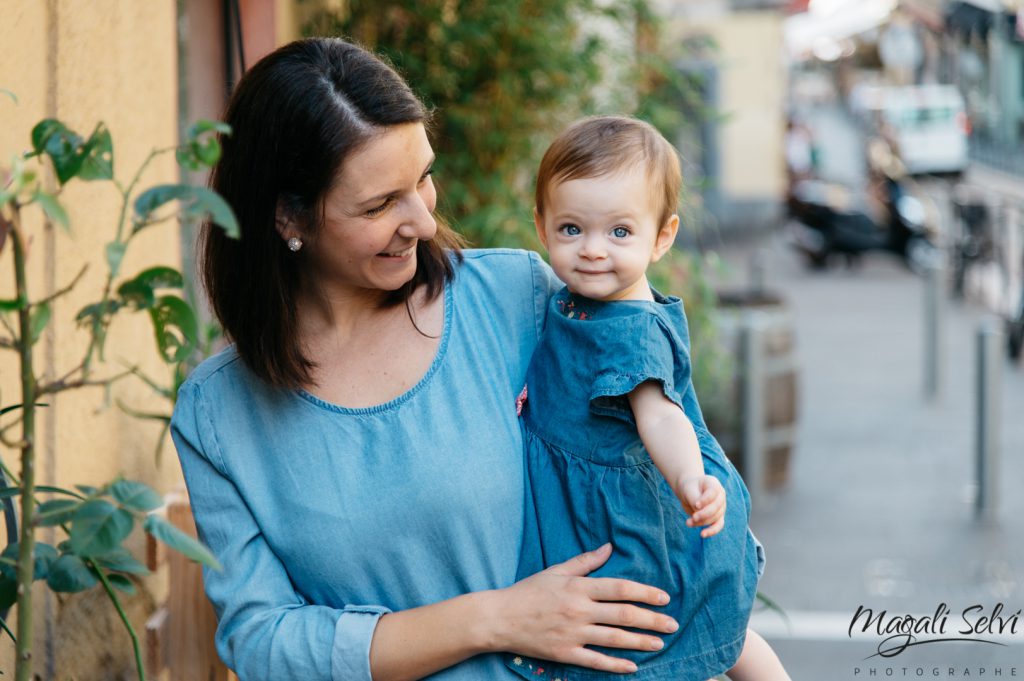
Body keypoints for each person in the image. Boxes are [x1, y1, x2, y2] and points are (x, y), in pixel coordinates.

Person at [171, 38, 683, 681]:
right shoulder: (219, 413)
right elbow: (262, 640)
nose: (421, 218)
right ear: (288, 216)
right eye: (380, 204)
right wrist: (495, 619)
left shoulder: (519, 303)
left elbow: (658, 481)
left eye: (423, 177)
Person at [504, 116, 790, 681]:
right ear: (541, 226)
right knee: (704, 632)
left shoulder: (631, 332)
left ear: (662, 236)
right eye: (570, 230)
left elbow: (660, 414)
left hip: (633, 514)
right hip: (584, 497)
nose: (591, 251)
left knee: (658, 639)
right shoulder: (574, 302)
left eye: (619, 233)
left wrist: (689, 480)